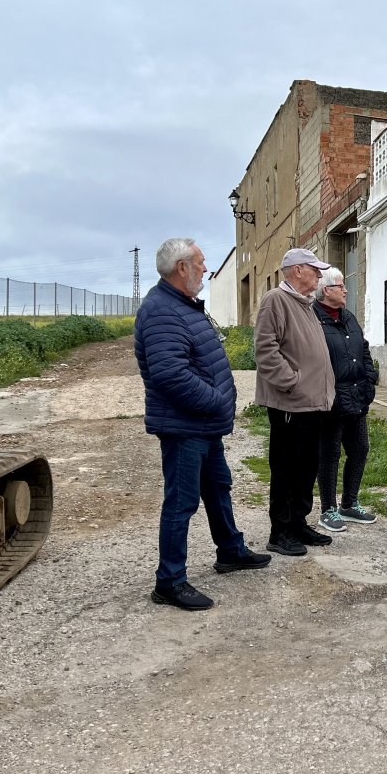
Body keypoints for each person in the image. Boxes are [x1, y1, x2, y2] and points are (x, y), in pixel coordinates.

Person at [135, 237, 271, 611]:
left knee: (217, 488)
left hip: (202, 425)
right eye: (200, 262)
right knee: (181, 502)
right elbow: (170, 374)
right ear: (182, 268)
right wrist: (216, 401)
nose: (206, 268)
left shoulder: (182, 305)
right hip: (185, 426)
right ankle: (170, 581)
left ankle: (230, 551)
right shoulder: (163, 311)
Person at [254, 247, 337, 556]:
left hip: (311, 403)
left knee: (306, 467)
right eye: (314, 269)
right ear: (298, 270)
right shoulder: (276, 300)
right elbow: (265, 349)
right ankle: (280, 531)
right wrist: (291, 382)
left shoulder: (305, 304)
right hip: (291, 403)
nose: (319, 274)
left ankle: (298, 523)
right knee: (287, 468)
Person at [312, 268, 379, 532]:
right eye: (341, 286)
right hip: (331, 400)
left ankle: (349, 504)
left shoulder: (349, 317)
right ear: (327, 290)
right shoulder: (313, 318)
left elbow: (363, 349)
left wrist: (369, 377)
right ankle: (328, 509)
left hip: (357, 397)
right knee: (329, 454)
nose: (346, 290)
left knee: (360, 449)